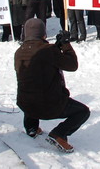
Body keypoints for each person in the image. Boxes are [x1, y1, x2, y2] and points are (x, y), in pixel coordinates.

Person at [14, 19, 90, 153]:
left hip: (26, 104)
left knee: (31, 88)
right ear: (43, 34)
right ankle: (59, 134)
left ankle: (31, 128)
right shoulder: (48, 51)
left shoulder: (19, 52)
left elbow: (43, 59)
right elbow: (72, 65)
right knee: (83, 111)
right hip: (49, 106)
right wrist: (65, 45)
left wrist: (56, 46)